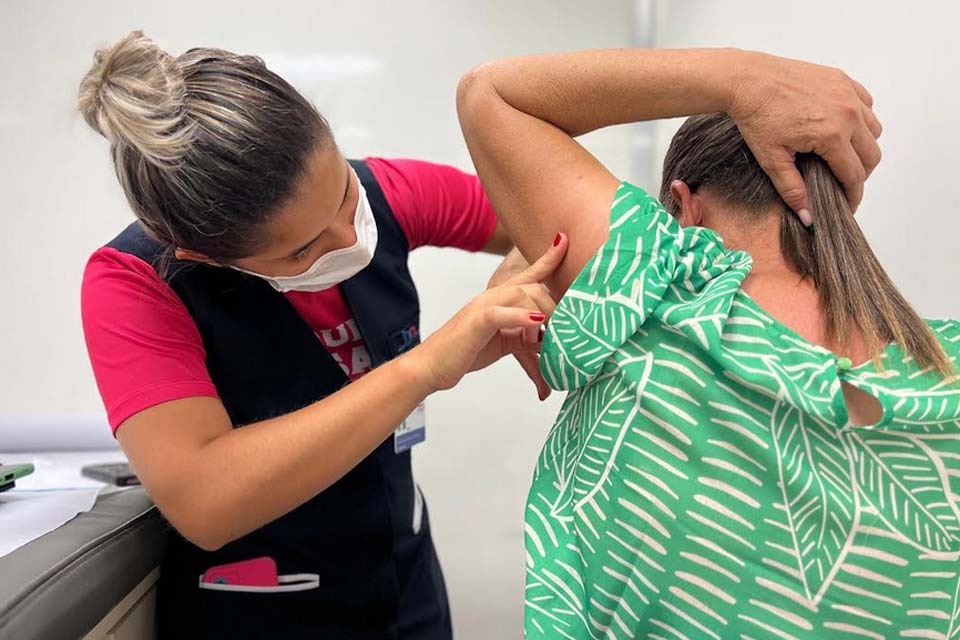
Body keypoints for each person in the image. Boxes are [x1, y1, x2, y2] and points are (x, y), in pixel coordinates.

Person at [457, 48, 959, 638]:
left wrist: (744, 82)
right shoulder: (943, 373)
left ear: (684, 207)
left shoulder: (664, 299)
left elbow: (490, 93)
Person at [77, 31, 563, 639]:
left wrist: (513, 275)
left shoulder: (383, 195)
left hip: (403, 580)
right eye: (303, 249)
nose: (350, 238)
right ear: (203, 254)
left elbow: (552, 221)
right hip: (263, 611)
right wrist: (429, 365)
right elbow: (204, 500)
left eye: (343, 194)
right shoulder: (136, 282)